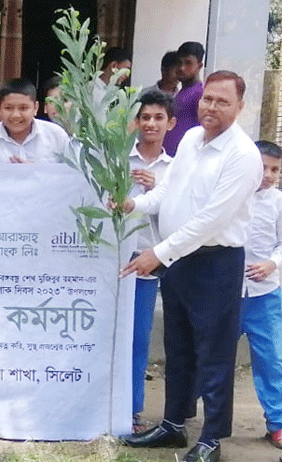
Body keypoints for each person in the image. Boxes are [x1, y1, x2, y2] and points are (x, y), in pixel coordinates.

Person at [119, 71, 263, 462]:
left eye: (222, 102)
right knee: (178, 346)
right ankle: (173, 425)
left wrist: (159, 253)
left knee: (213, 353)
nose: (211, 108)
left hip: (215, 262)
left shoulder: (243, 156)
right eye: (207, 100)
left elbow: (211, 220)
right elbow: (168, 189)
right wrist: (136, 204)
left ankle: (212, 439)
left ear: (240, 107)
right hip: (178, 259)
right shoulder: (190, 138)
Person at [126, 90, 176, 433]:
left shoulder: (176, 169)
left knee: (139, 337)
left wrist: (155, 191)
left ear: (170, 123)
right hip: (112, 259)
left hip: (149, 262)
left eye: (158, 118)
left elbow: (177, 218)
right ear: (135, 121)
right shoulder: (116, 159)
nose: (151, 124)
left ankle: (131, 409)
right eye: (145, 117)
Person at [238, 140, 282, 449]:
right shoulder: (232, 196)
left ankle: (277, 423)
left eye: (275, 169)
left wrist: (272, 263)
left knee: (273, 359)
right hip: (225, 294)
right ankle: (189, 416)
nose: (268, 175)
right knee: (209, 359)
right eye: (263, 167)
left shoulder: (279, 203)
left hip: (265, 296)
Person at [0, 78, 69, 164]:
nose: (16, 115)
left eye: (23, 108)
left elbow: (72, 177)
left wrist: (37, 172)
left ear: (35, 108)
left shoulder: (56, 136)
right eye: (8, 108)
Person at [163, 42, 204, 157]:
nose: (181, 68)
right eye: (179, 63)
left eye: (188, 63)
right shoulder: (182, 92)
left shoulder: (200, 94)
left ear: (199, 66)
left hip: (186, 158)